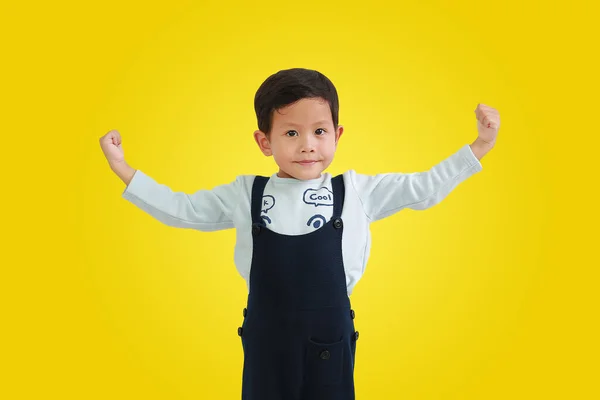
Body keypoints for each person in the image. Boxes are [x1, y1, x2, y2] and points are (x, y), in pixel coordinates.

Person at [99, 67, 500, 400]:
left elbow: (424, 186)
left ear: (337, 134)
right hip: (267, 340)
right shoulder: (246, 193)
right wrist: (123, 169)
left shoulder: (357, 191)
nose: (308, 146)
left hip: (330, 339)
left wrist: (479, 146)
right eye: (291, 133)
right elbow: (182, 209)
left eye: (319, 132)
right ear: (264, 141)